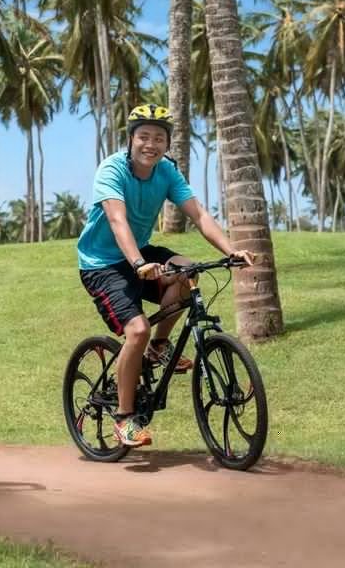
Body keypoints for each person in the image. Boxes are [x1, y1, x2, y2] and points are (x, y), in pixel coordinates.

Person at [77, 104, 254, 448]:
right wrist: (137, 263)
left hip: (141, 252)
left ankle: (159, 347)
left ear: (167, 144)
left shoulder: (167, 171)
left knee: (188, 270)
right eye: (143, 136)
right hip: (102, 264)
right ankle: (124, 418)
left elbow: (199, 215)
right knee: (136, 330)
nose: (151, 144)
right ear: (130, 139)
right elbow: (117, 221)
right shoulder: (112, 169)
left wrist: (231, 250)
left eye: (159, 138)